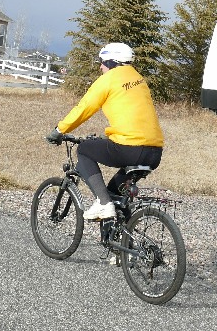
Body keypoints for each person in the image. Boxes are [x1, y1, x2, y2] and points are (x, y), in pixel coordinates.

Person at [46, 42, 164, 220]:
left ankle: (102, 203)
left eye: (103, 61)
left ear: (112, 62)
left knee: (84, 150)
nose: (101, 66)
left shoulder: (108, 80)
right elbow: (133, 114)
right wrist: (111, 135)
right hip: (154, 152)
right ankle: (123, 240)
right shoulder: (139, 79)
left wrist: (59, 130)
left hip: (130, 148)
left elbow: (84, 108)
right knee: (114, 193)